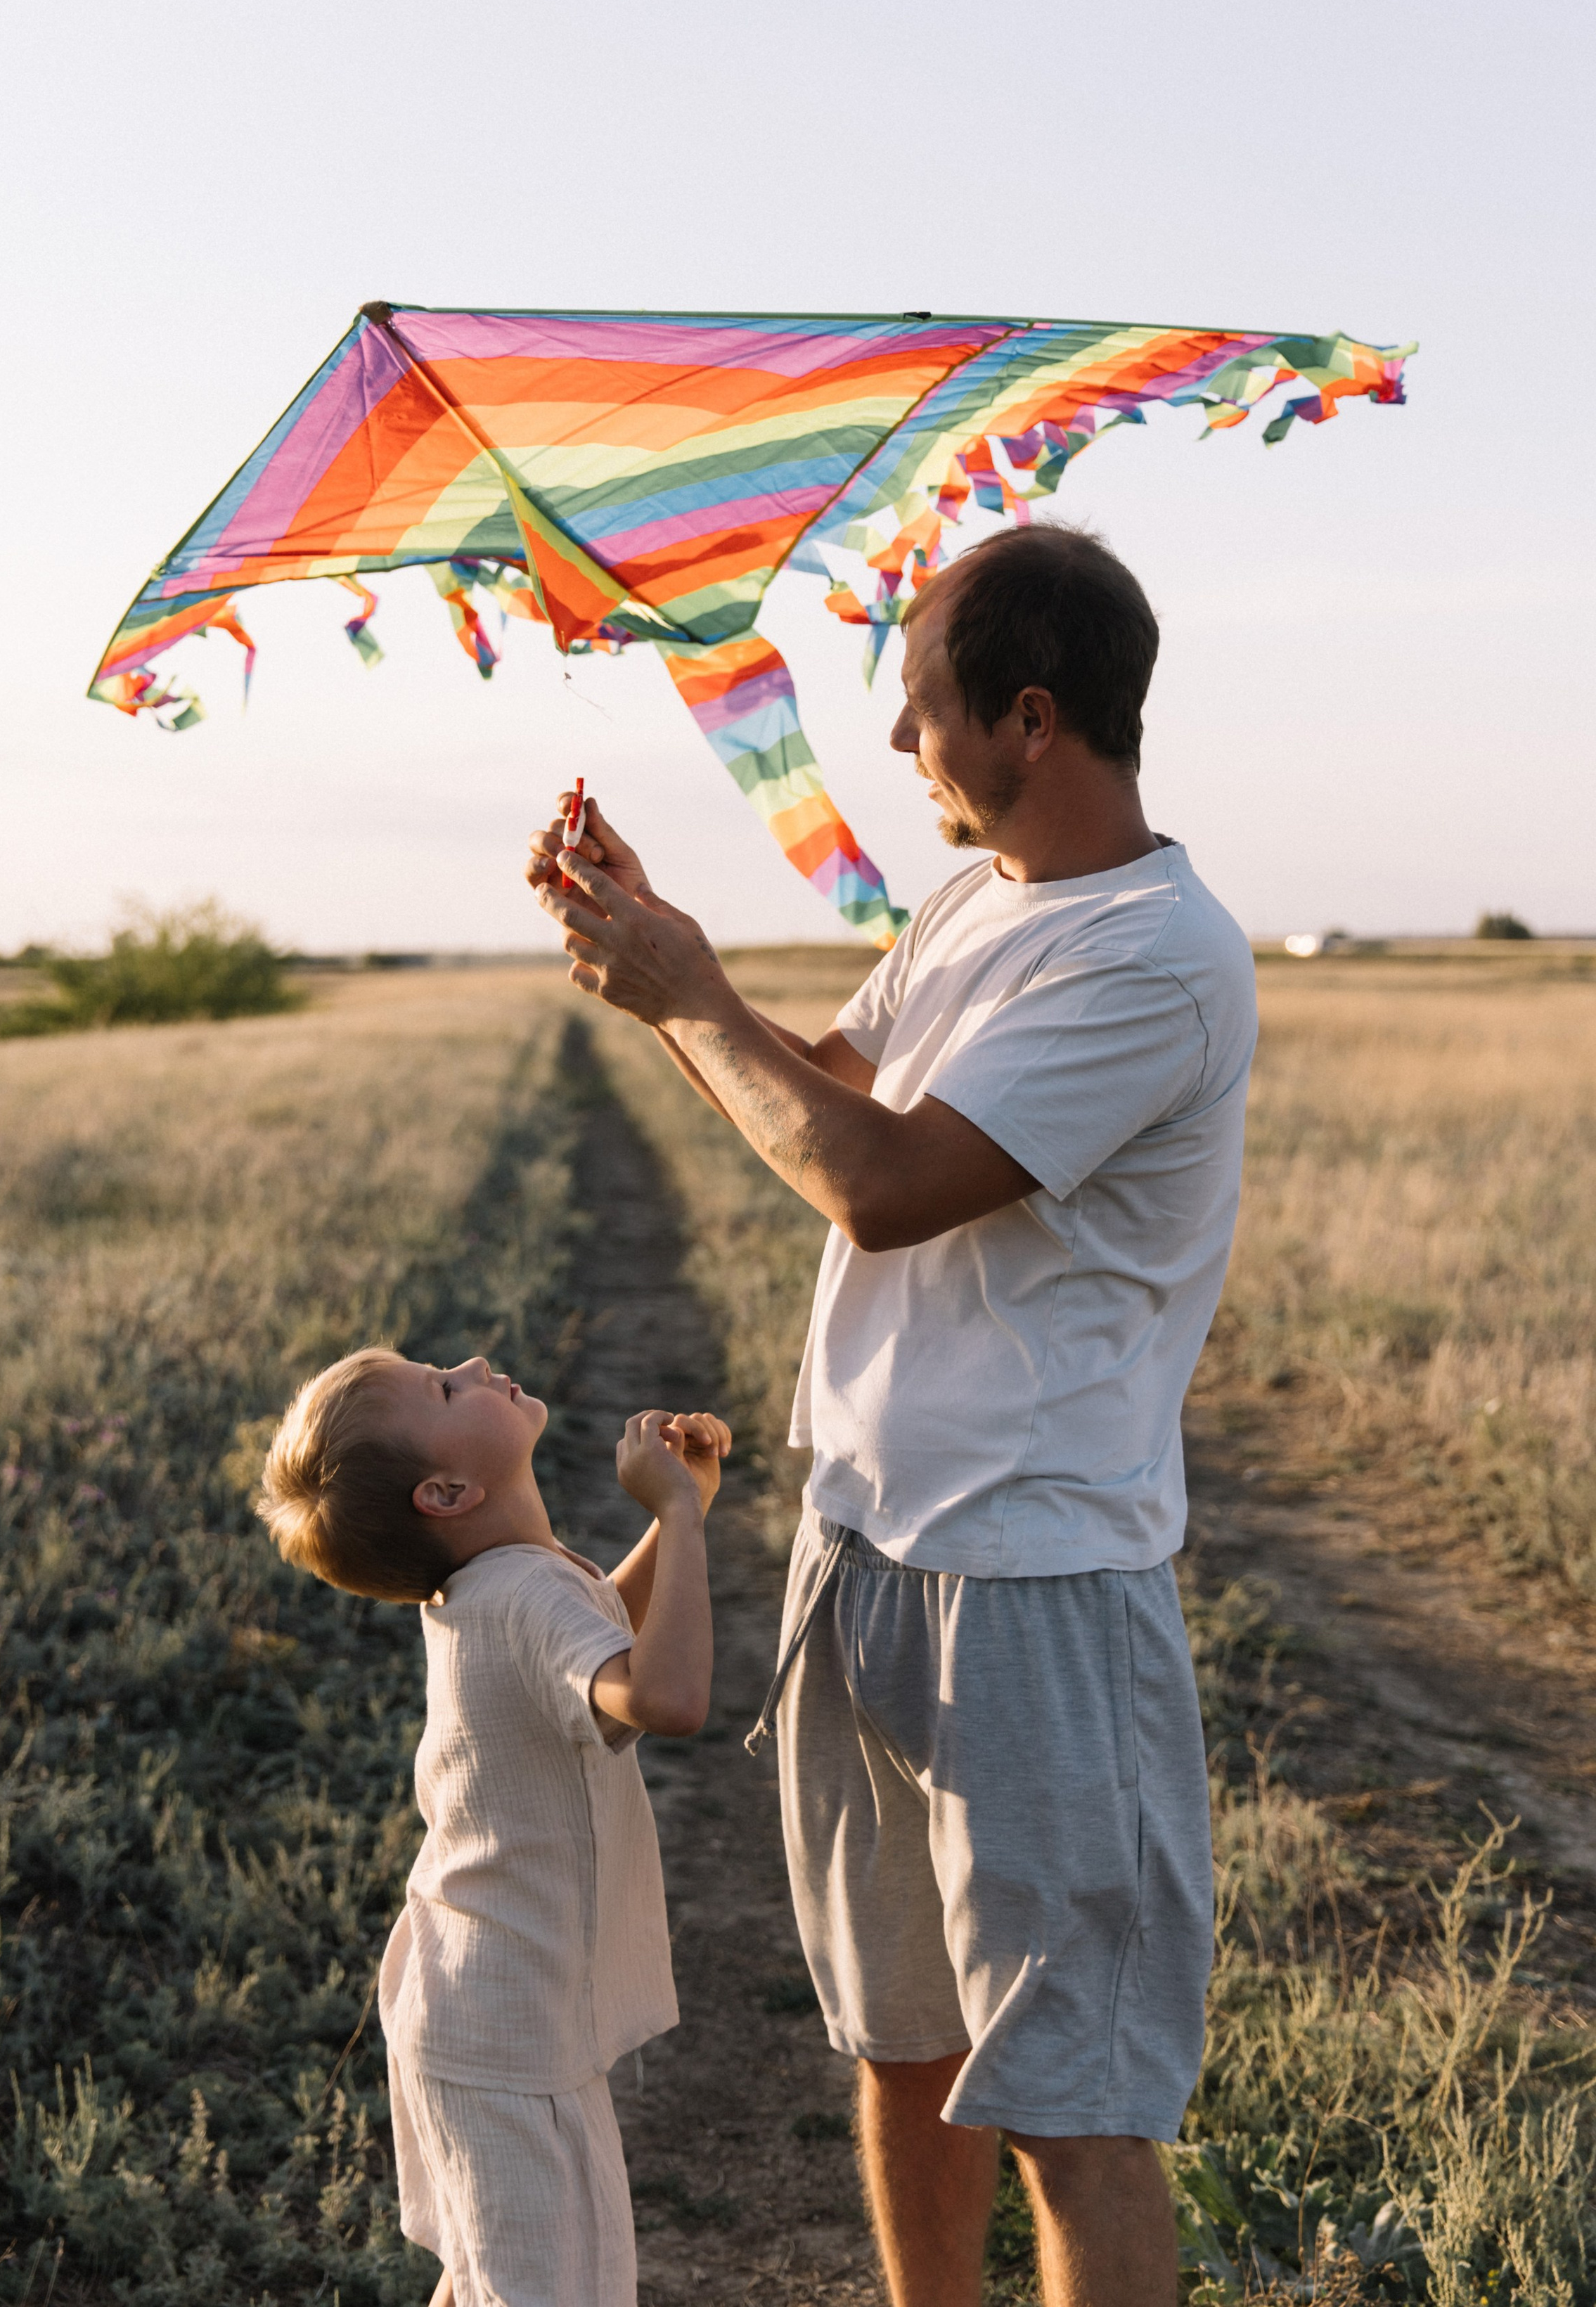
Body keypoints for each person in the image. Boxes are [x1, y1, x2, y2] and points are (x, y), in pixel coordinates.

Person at [525, 523, 1256, 2307]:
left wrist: (691, 993)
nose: (896, 741)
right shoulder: (967, 900)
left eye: (920, 705)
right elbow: (821, 1093)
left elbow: (880, 1184)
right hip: (860, 1547)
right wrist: (654, 960)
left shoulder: (1157, 955)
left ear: (1030, 717)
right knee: (901, 2045)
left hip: (1033, 1584)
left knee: (1071, 2102)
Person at [256, 1342, 730, 2307]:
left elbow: (601, 1630)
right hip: (509, 2037)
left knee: (498, 2278)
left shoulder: (498, 1585)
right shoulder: (521, 1593)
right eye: (444, 1388)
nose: (473, 1363)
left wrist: (687, 1508)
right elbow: (667, 1696)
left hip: (479, 2009)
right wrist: (679, 1518)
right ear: (447, 1493)